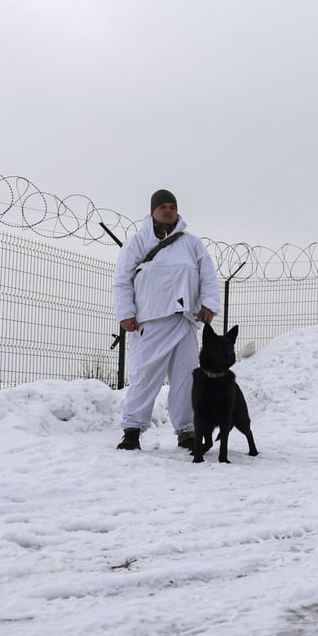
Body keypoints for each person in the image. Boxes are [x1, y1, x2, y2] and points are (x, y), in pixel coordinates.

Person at [112, 189, 221, 451]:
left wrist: (209, 304)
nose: (168, 210)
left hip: (184, 320)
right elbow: (122, 279)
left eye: (172, 206)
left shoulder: (192, 243)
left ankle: (187, 430)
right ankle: (132, 430)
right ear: (152, 211)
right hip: (150, 320)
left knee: (186, 378)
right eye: (162, 206)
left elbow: (208, 275)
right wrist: (125, 313)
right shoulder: (137, 242)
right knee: (145, 376)